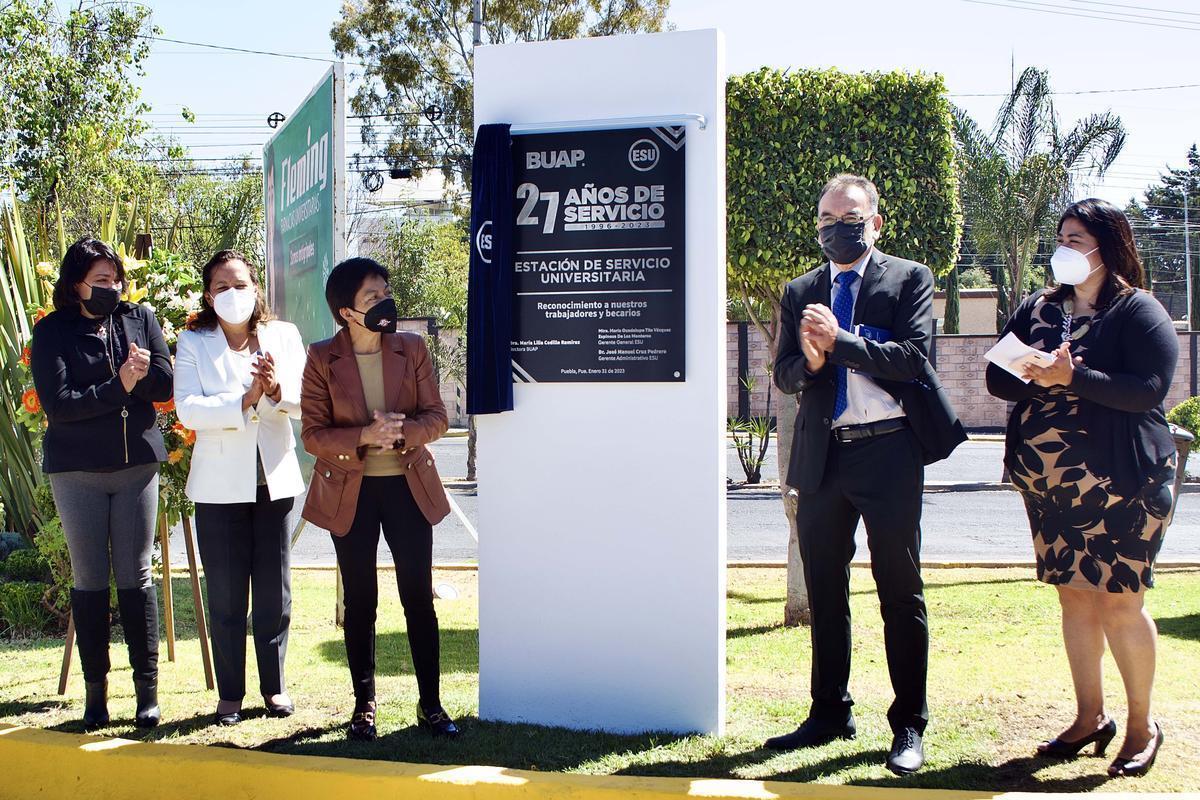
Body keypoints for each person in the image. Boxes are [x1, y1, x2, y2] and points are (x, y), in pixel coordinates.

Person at [768, 174, 966, 775]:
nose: (835, 228)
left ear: (874, 221)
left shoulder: (908, 278)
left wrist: (843, 343)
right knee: (825, 589)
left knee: (899, 590)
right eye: (825, 219)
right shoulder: (799, 290)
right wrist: (809, 360)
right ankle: (829, 711)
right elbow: (782, 376)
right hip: (823, 455)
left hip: (889, 452)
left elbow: (913, 360)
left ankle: (909, 723)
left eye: (848, 217)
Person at [986, 198, 1177, 778]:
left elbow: (1148, 388)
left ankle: (1142, 725)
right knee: (1074, 596)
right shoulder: (1041, 308)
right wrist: (1033, 368)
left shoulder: (1138, 310)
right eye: (1061, 237)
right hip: (1051, 490)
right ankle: (1089, 717)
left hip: (1125, 486)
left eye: (1076, 238)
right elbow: (996, 378)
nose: (1064, 247)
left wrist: (1074, 376)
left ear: (1107, 245)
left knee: (1120, 601)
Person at [299, 257, 458, 741]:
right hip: (352, 491)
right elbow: (313, 435)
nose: (384, 302)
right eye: (372, 296)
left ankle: (431, 705)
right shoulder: (321, 358)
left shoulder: (411, 348)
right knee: (361, 600)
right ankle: (363, 706)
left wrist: (404, 430)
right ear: (346, 311)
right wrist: (365, 434)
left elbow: (437, 417)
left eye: (385, 291)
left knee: (418, 598)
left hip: (409, 487)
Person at [30, 237, 173, 729]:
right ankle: (96, 693)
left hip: (136, 466)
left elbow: (166, 383)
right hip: (77, 472)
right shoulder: (51, 333)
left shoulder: (140, 319)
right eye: (101, 281)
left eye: (116, 280)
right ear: (76, 285)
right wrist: (120, 387)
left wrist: (141, 378)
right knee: (89, 580)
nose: (112, 289)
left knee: (136, 578)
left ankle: (146, 693)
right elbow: (60, 405)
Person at [174, 250, 306, 726]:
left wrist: (273, 393)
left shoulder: (283, 336)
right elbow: (187, 409)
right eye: (223, 287)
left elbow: (306, 399)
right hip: (217, 488)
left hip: (274, 481)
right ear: (209, 295)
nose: (234, 294)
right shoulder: (193, 342)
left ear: (256, 287)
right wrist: (243, 400)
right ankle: (230, 693)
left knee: (274, 592)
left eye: (241, 284)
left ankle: (274, 688)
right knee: (227, 594)